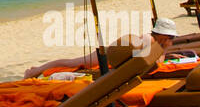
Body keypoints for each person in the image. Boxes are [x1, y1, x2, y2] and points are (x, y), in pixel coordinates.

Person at [24, 18, 178, 78]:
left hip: (112, 56)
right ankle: (35, 70)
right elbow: (148, 63)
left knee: (73, 63)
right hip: (106, 55)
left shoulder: (156, 43)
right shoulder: (147, 39)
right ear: (161, 34)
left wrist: (166, 52)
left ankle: (36, 70)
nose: (171, 40)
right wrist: (164, 51)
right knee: (71, 63)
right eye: (170, 37)